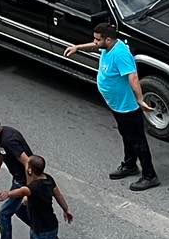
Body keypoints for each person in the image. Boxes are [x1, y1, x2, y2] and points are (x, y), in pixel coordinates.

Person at [64, 25, 159, 191]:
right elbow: (95, 46)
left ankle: (150, 176)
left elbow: (133, 77)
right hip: (117, 106)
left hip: (128, 108)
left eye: (97, 39)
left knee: (138, 142)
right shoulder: (107, 46)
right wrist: (78, 48)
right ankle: (130, 165)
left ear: (108, 39)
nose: (95, 42)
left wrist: (140, 99)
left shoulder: (120, 54)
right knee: (126, 136)